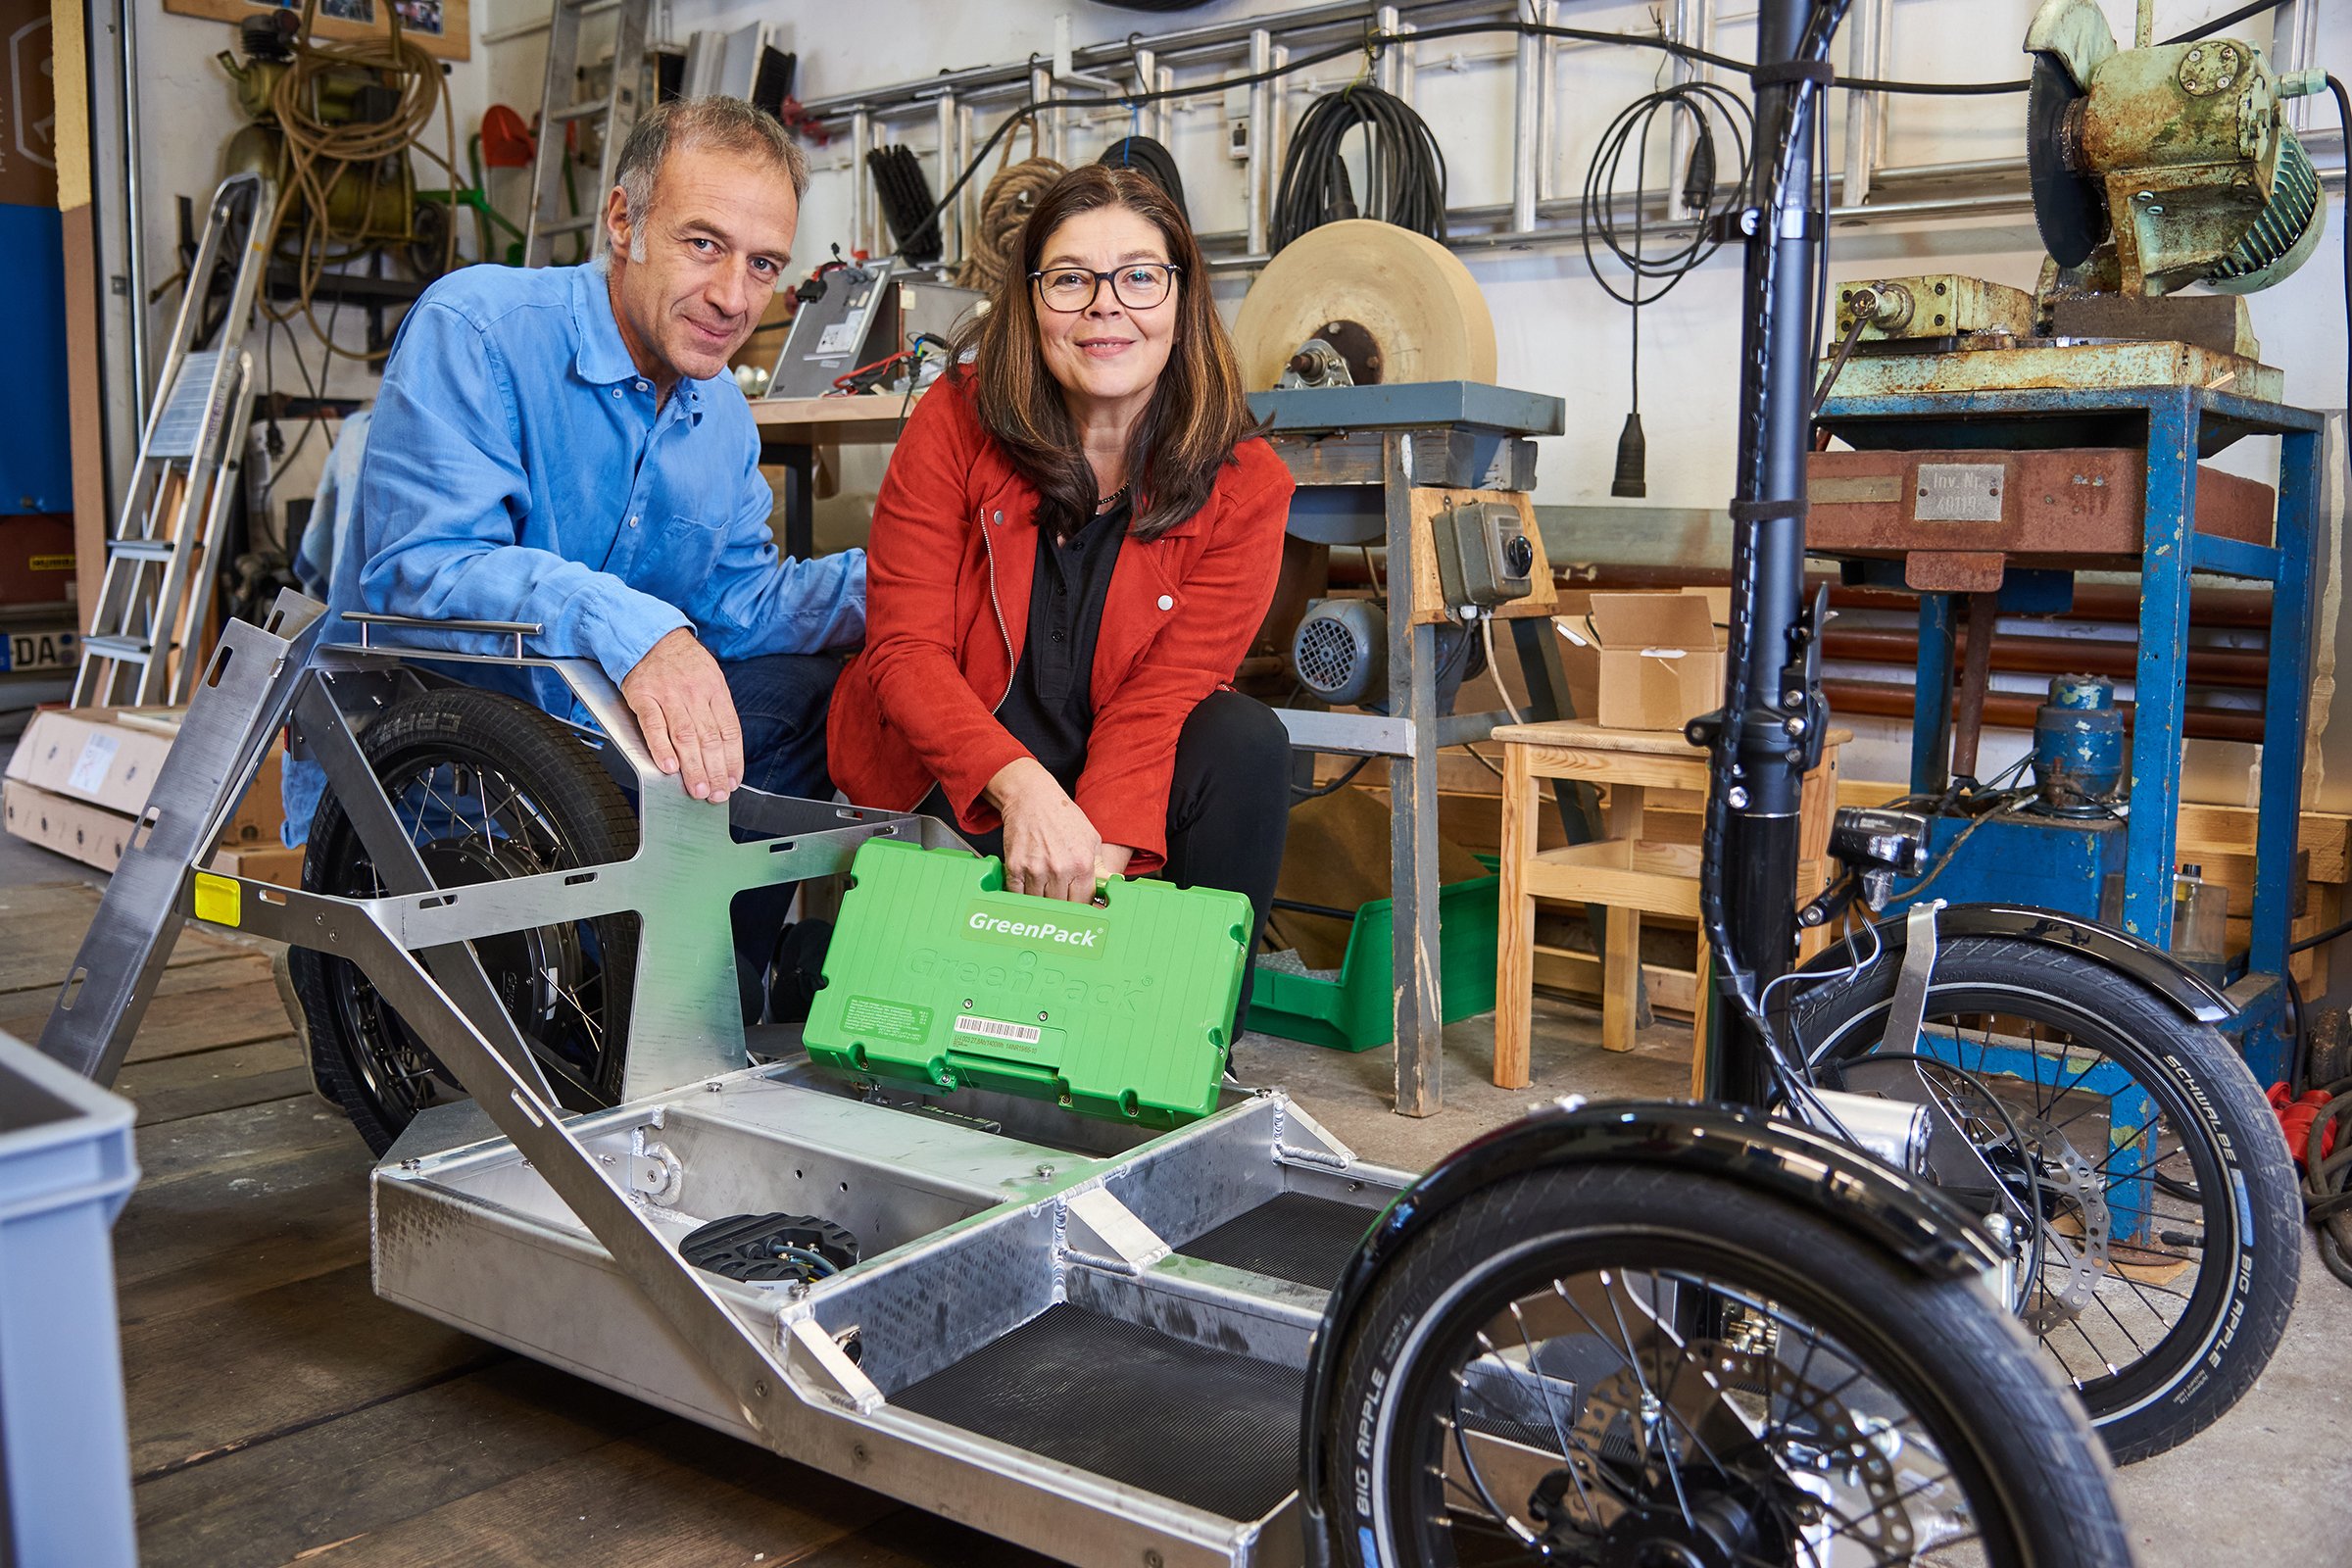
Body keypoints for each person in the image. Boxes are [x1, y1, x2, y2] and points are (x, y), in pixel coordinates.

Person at [283, 95, 862, 1014]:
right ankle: (607, 996)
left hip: (597, 771)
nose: (733, 299)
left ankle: (699, 1008)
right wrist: (629, 626)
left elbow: (741, 605)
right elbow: (420, 569)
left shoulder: (722, 421)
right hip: (437, 792)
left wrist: (911, 582)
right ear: (624, 222)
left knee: (807, 690)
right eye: (704, 244)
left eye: (763, 266)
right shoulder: (476, 328)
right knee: (433, 1082)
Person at [827, 164, 1296, 1048]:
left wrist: (1097, 869)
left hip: (1112, 772)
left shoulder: (1246, 485)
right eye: (1071, 278)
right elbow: (904, 651)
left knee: (1245, 742)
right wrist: (1023, 794)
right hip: (958, 764)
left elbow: (1170, 695)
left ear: (1181, 298)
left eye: (1139, 277)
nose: (1104, 307)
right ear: (1032, 298)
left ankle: (1183, 1050)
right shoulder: (956, 420)